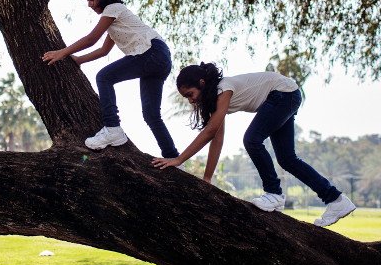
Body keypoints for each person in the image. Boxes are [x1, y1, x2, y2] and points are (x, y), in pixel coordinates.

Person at [152, 62, 355, 227]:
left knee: (251, 140)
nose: (190, 101)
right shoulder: (217, 100)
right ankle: (336, 200)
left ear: (202, 83)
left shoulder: (224, 88)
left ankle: (274, 193)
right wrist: (207, 178)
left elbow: (210, 131)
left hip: (282, 93)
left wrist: (178, 159)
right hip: (288, 94)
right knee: (287, 159)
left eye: (190, 94)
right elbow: (217, 138)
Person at [42, 0, 179, 158]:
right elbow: (103, 51)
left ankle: (112, 127)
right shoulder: (116, 19)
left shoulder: (114, 9)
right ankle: (173, 157)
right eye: (87, 0)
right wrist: (80, 60)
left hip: (151, 52)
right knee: (151, 115)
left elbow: (92, 39)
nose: (90, 4)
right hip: (160, 58)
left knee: (104, 77)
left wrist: (62, 52)